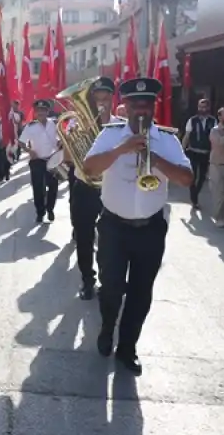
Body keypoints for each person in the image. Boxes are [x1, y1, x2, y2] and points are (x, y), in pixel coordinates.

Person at [83, 77, 193, 375]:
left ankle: (127, 348)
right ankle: (107, 327)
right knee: (111, 288)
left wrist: (153, 157)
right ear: (126, 106)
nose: (141, 109)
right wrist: (121, 149)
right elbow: (88, 167)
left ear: (154, 107)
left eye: (147, 104)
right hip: (113, 227)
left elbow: (186, 179)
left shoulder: (167, 139)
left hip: (150, 229)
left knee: (141, 293)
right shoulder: (110, 135)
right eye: (135, 104)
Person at [67, 77, 119, 300]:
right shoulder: (76, 124)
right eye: (97, 96)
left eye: (106, 96)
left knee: (111, 237)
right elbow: (67, 158)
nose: (102, 100)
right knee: (84, 237)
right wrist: (75, 139)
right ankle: (88, 279)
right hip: (84, 187)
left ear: (111, 98)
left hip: (110, 187)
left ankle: (109, 279)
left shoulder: (120, 126)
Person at [18, 100, 60, 223]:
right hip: (37, 161)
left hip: (52, 159)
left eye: (43, 110)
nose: (41, 113)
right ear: (35, 113)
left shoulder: (54, 124)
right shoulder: (30, 126)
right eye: (38, 111)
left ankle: (50, 209)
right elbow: (21, 142)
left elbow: (60, 138)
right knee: (38, 188)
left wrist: (60, 143)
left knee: (53, 186)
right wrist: (29, 150)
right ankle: (40, 212)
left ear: (48, 111)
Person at [182, 97, 216, 209]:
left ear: (208, 108)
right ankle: (194, 198)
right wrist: (181, 151)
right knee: (193, 176)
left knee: (202, 177)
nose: (202, 109)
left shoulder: (213, 121)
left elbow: (214, 138)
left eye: (204, 107)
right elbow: (186, 136)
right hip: (193, 152)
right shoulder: (192, 120)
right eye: (200, 107)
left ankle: (195, 194)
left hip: (206, 153)